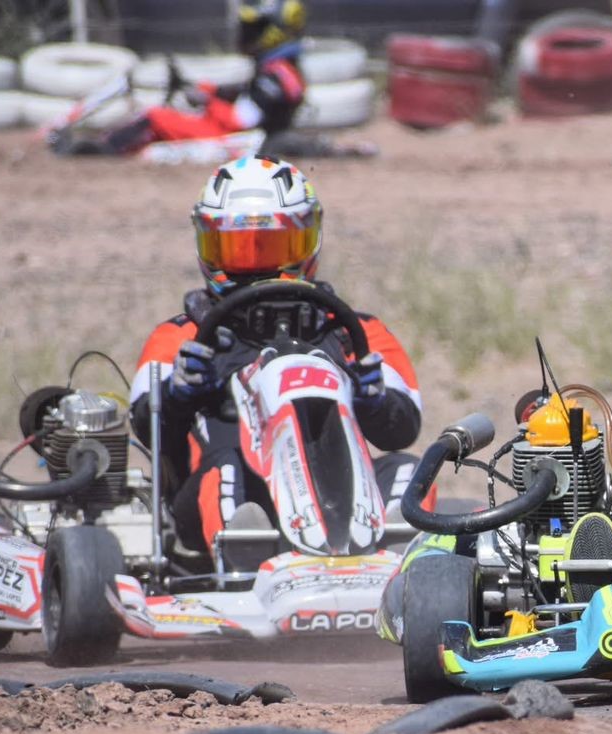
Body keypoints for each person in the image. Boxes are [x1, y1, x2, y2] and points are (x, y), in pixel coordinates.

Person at [130, 155, 421, 557]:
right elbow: (145, 423)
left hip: (343, 497)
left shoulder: (353, 332)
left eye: (272, 248)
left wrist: (375, 401)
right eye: (239, 251)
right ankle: (241, 561)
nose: (257, 268)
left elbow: (403, 429)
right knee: (225, 468)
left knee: (410, 469)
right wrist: (179, 394)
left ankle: (402, 566)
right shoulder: (181, 337)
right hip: (223, 499)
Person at [91, 0, 309, 155]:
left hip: (236, 139)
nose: (247, 34)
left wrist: (206, 100)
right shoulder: (282, 69)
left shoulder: (274, 75)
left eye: (254, 29)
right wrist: (211, 91)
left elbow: (241, 120)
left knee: (155, 117)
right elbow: (247, 98)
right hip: (245, 136)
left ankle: (101, 151)